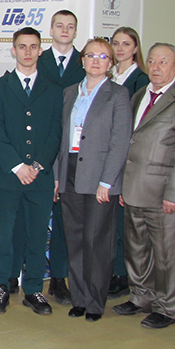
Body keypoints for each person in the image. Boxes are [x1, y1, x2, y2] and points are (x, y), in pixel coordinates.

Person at [112, 43, 175, 330]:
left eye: (163, 62)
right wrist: (122, 184)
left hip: (164, 193)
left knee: (167, 255)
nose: (156, 67)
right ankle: (141, 296)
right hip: (134, 188)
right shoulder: (139, 95)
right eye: (152, 61)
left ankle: (167, 307)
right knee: (136, 249)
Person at [0, 27, 63, 316]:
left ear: (40, 50)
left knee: (37, 235)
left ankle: (33, 289)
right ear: (13, 50)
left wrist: (37, 166)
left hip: (40, 178)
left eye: (33, 47)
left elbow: (55, 132)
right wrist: (18, 166)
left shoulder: (53, 89)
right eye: (22, 46)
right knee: (4, 236)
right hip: (9, 177)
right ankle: (1, 286)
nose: (27, 52)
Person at [54, 38, 131, 321]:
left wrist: (107, 182)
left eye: (102, 56)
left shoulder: (117, 94)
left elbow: (120, 141)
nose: (96, 61)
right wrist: (57, 177)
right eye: (90, 55)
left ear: (110, 63)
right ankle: (79, 298)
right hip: (70, 171)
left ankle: (95, 302)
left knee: (96, 241)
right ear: (82, 60)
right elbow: (61, 138)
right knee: (74, 239)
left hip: (100, 177)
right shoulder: (69, 93)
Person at [37, 9, 83, 306]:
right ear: (51, 30)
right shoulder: (37, 60)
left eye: (70, 26)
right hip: (40, 148)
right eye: (60, 25)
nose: (65, 30)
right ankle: (18, 276)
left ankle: (58, 278)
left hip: (73, 150)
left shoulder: (84, 62)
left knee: (65, 220)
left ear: (75, 32)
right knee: (34, 217)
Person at [107, 27, 150, 298]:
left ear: (135, 48)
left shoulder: (141, 80)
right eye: (116, 43)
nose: (120, 48)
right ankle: (109, 269)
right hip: (104, 156)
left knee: (124, 223)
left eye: (126, 44)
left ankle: (123, 274)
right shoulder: (106, 75)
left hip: (128, 158)